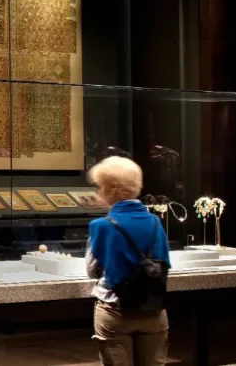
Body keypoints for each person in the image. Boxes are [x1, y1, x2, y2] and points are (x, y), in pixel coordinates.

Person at [85, 156, 171, 366]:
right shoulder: (155, 222)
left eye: (100, 186)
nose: (99, 192)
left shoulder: (101, 226)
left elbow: (92, 270)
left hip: (115, 311)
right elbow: (164, 262)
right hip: (153, 311)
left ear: (110, 189)